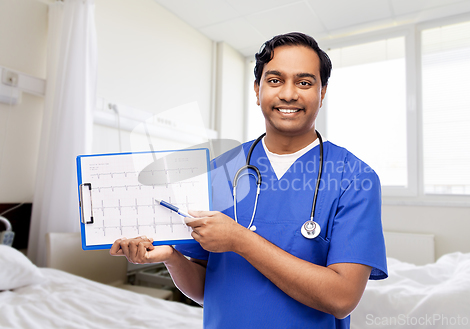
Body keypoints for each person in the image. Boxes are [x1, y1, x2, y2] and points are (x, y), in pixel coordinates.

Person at [110, 32, 387, 329]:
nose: (289, 94)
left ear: (322, 92)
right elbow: (207, 289)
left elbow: (342, 299)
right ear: (257, 91)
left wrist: (240, 240)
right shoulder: (220, 171)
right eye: (275, 80)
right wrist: (172, 259)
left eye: (304, 82)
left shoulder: (355, 178)